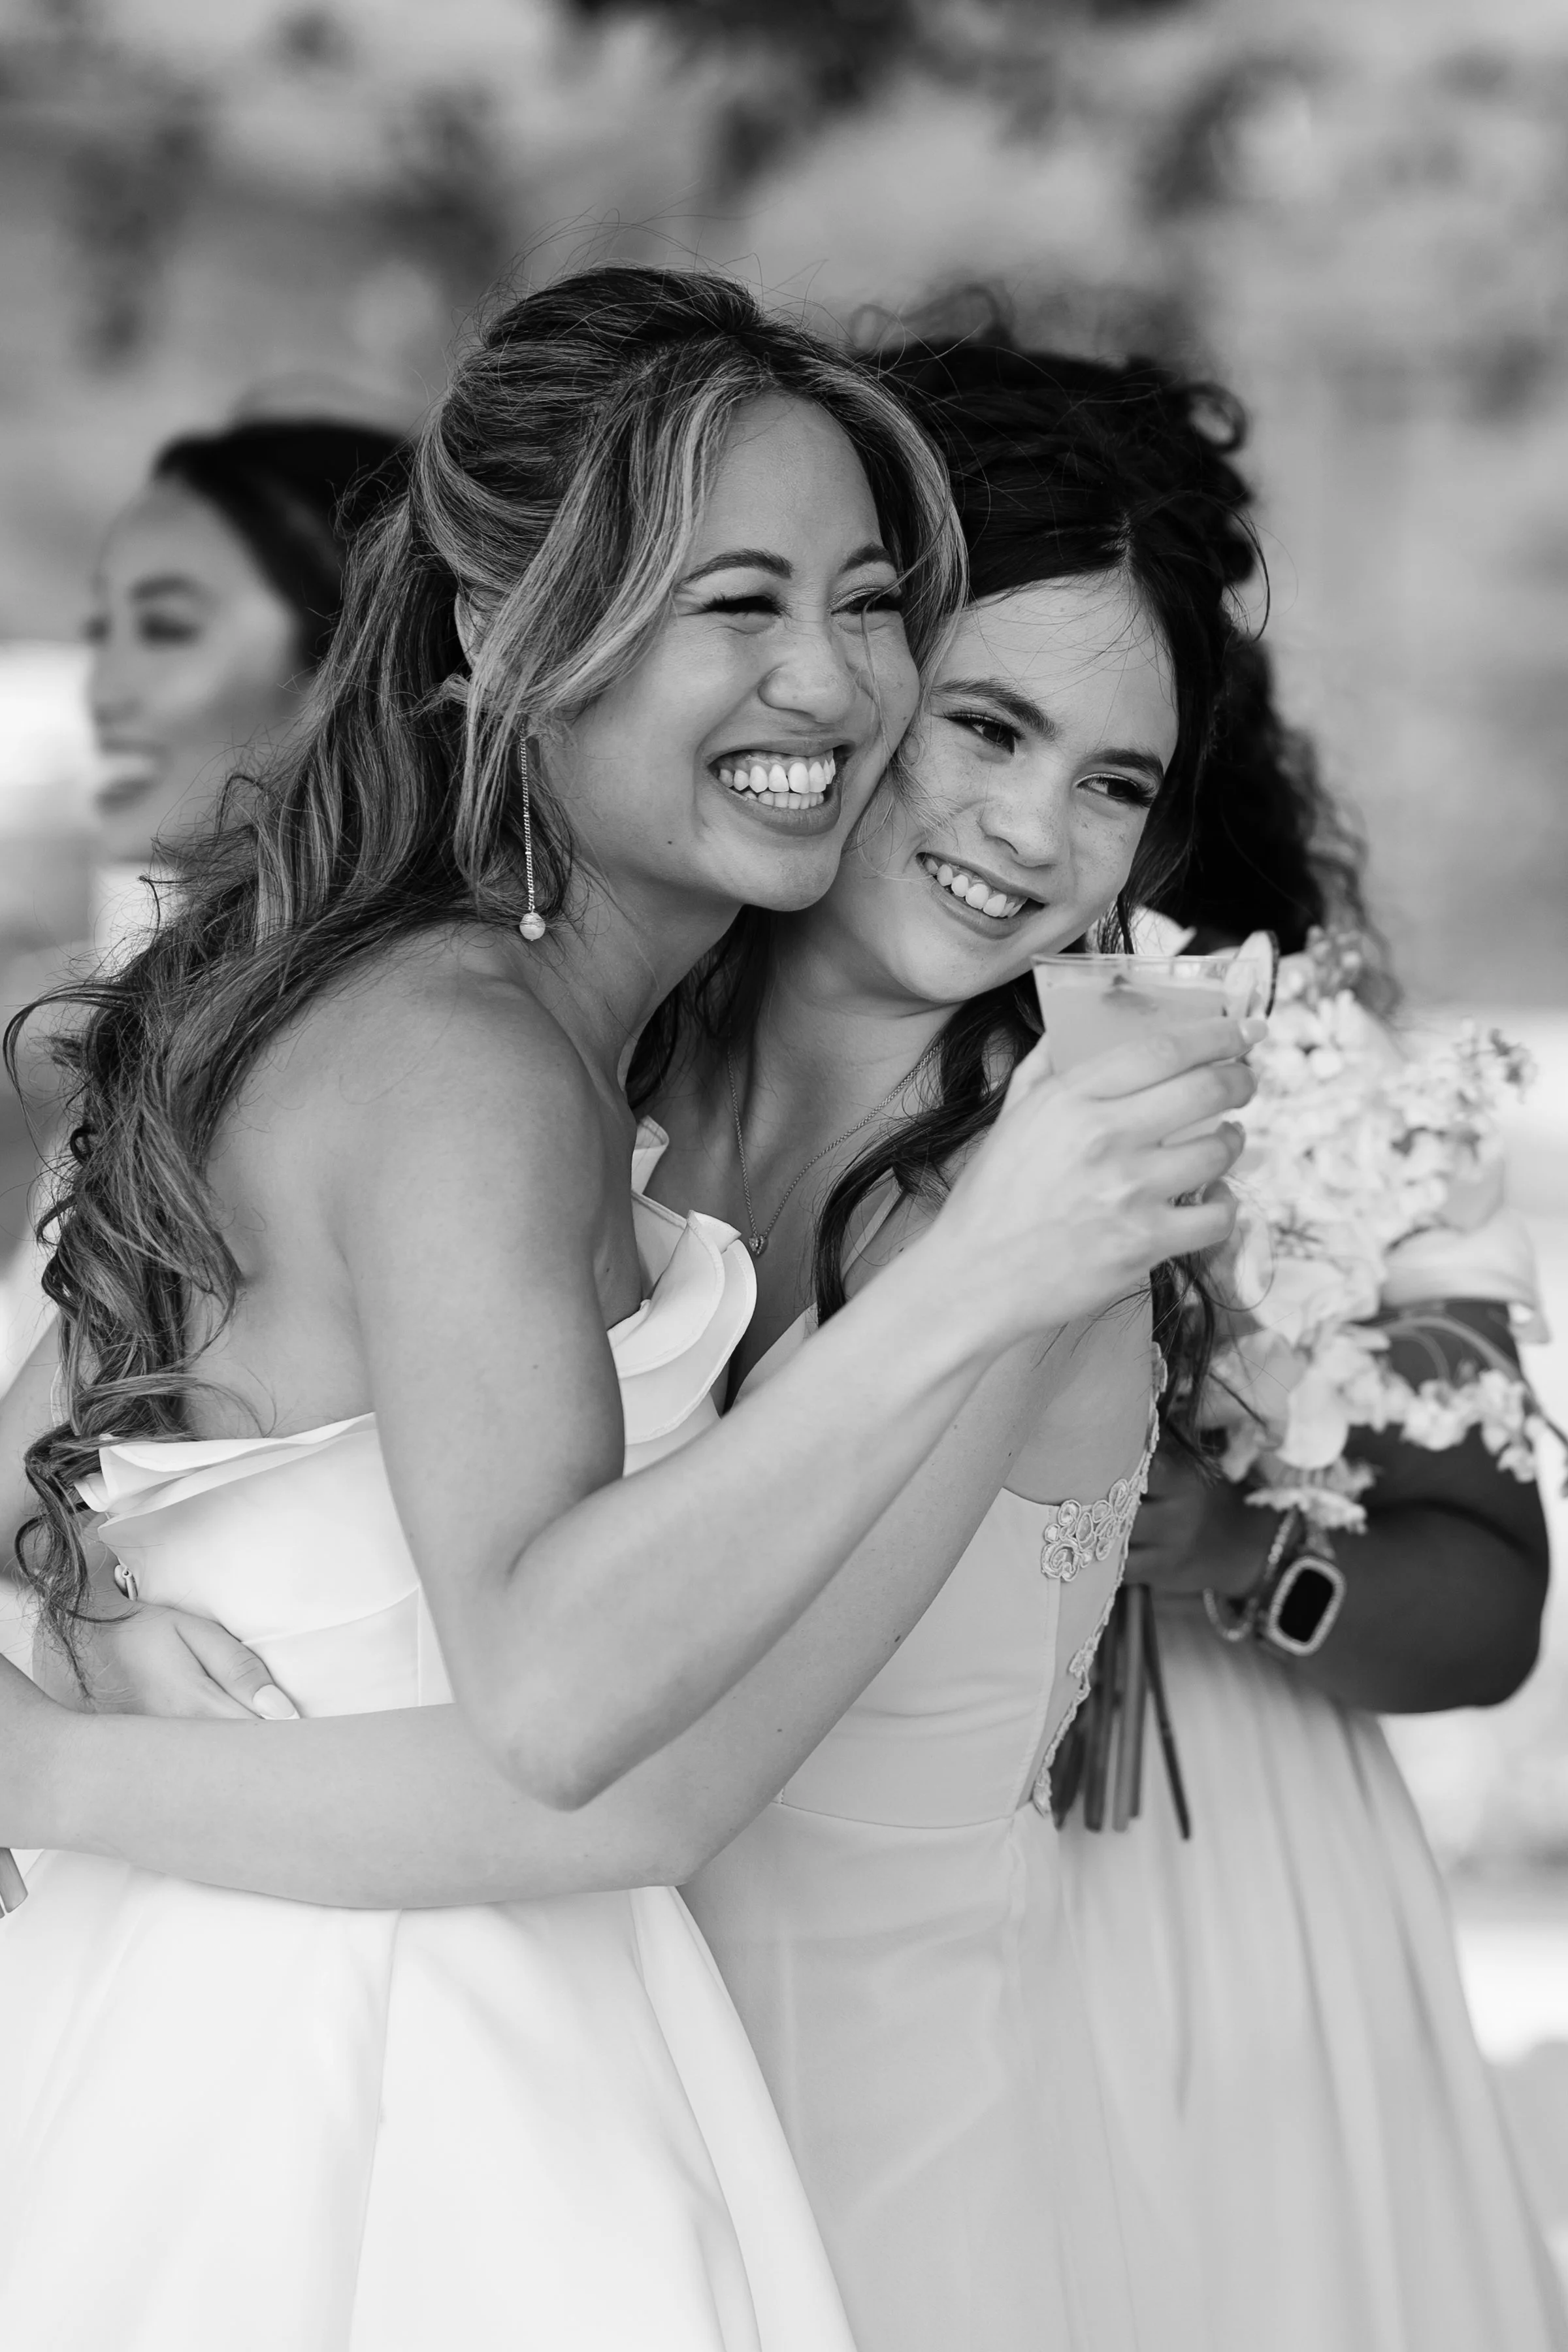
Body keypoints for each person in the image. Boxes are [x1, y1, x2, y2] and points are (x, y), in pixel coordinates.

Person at [0, 267, 1250, 2352]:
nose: (829, 684)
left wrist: (64, 1722)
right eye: (739, 603)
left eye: (867, 609)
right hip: (375, 2090)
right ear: (512, 635)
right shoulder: (484, 1054)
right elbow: (559, 1711)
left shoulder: (719, 1115)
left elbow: (633, 1774)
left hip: (681, 2088)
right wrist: (71, 1655)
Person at [1058, 623, 1567, 2350]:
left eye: (1113, 770)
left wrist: (1230, 1541)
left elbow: (1486, 1610)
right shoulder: (809, 1057)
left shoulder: (1347, 1100)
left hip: (1231, 1867)